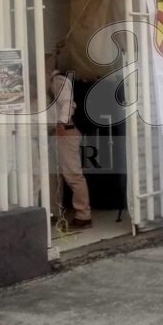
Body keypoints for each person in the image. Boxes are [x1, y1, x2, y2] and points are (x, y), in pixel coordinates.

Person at [50, 61, 92, 229]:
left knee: (72, 174)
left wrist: (62, 122)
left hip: (65, 131)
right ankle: (56, 211)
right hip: (60, 131)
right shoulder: (54, 80)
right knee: (56, 175)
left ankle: (83, 214)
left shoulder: (57, 80)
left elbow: (68, 103)